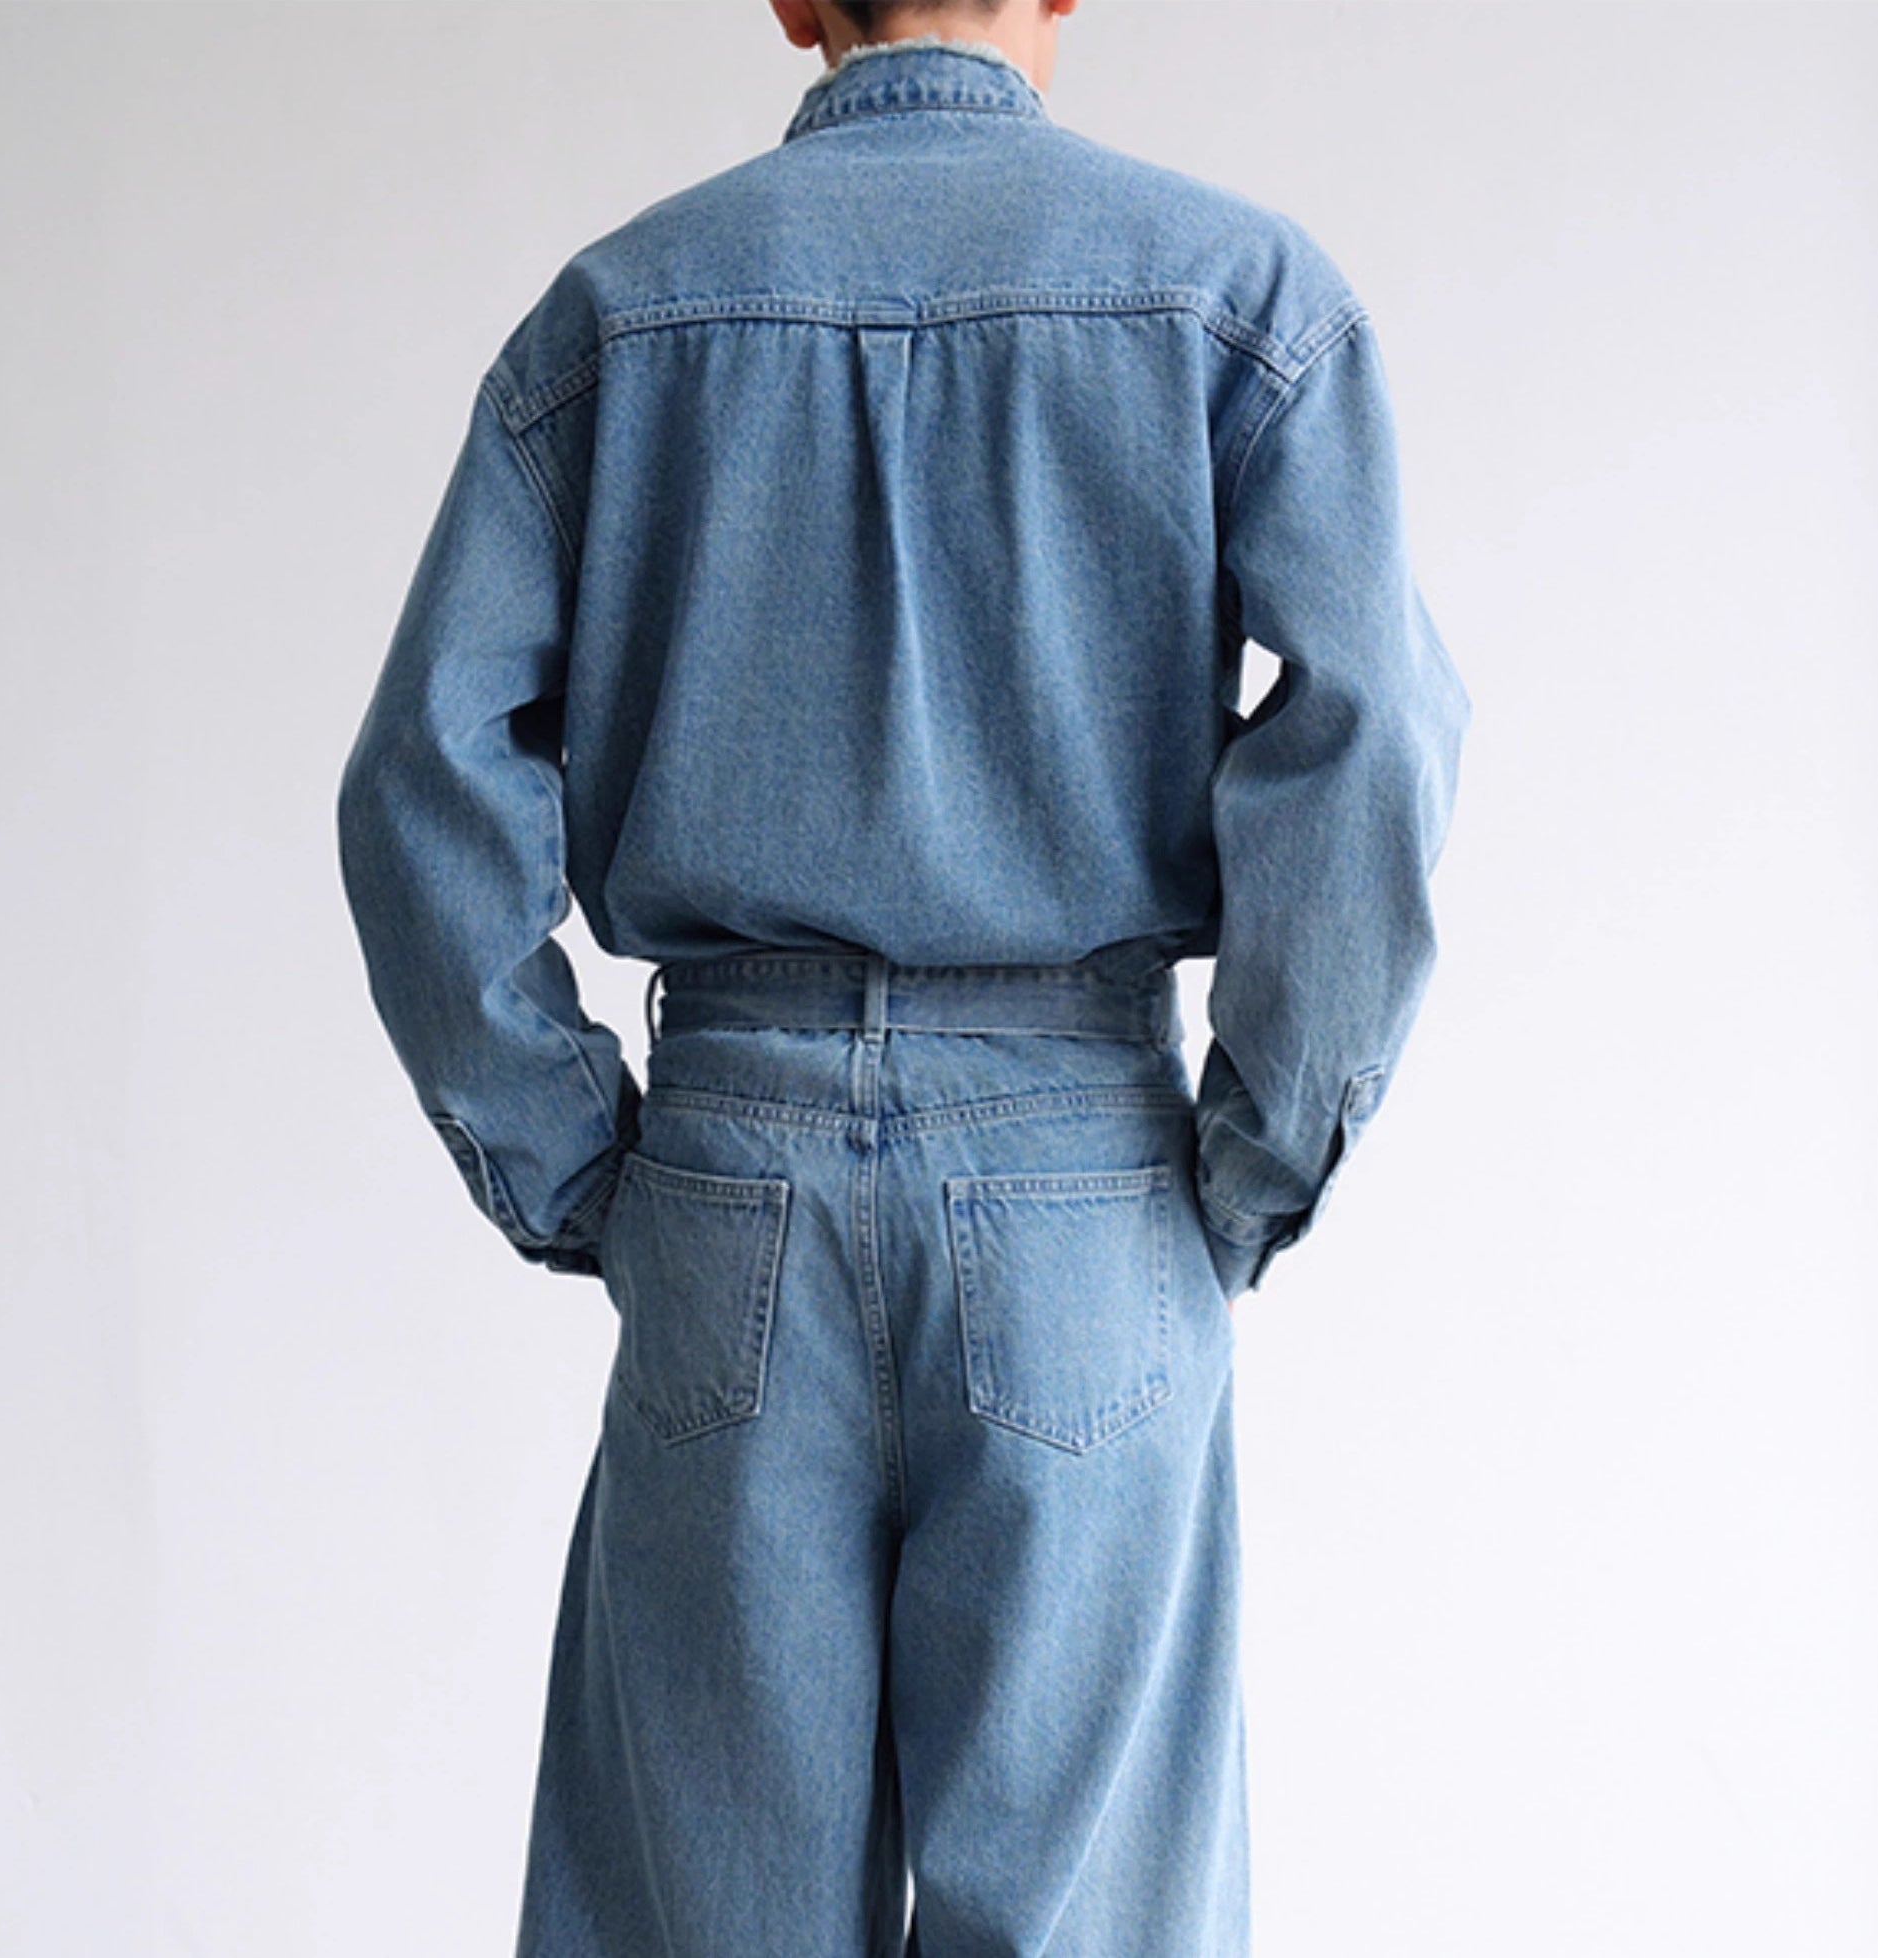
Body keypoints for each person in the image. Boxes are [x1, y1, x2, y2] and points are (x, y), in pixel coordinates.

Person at [335, 1, 1468, 1949]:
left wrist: (583, 1166)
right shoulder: (1237, 299)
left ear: (792, 0)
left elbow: (420, 782)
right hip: (1087, 1187)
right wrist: (1253, 1158)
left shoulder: (620, 315)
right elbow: (1371, 739)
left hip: (732, 1181)